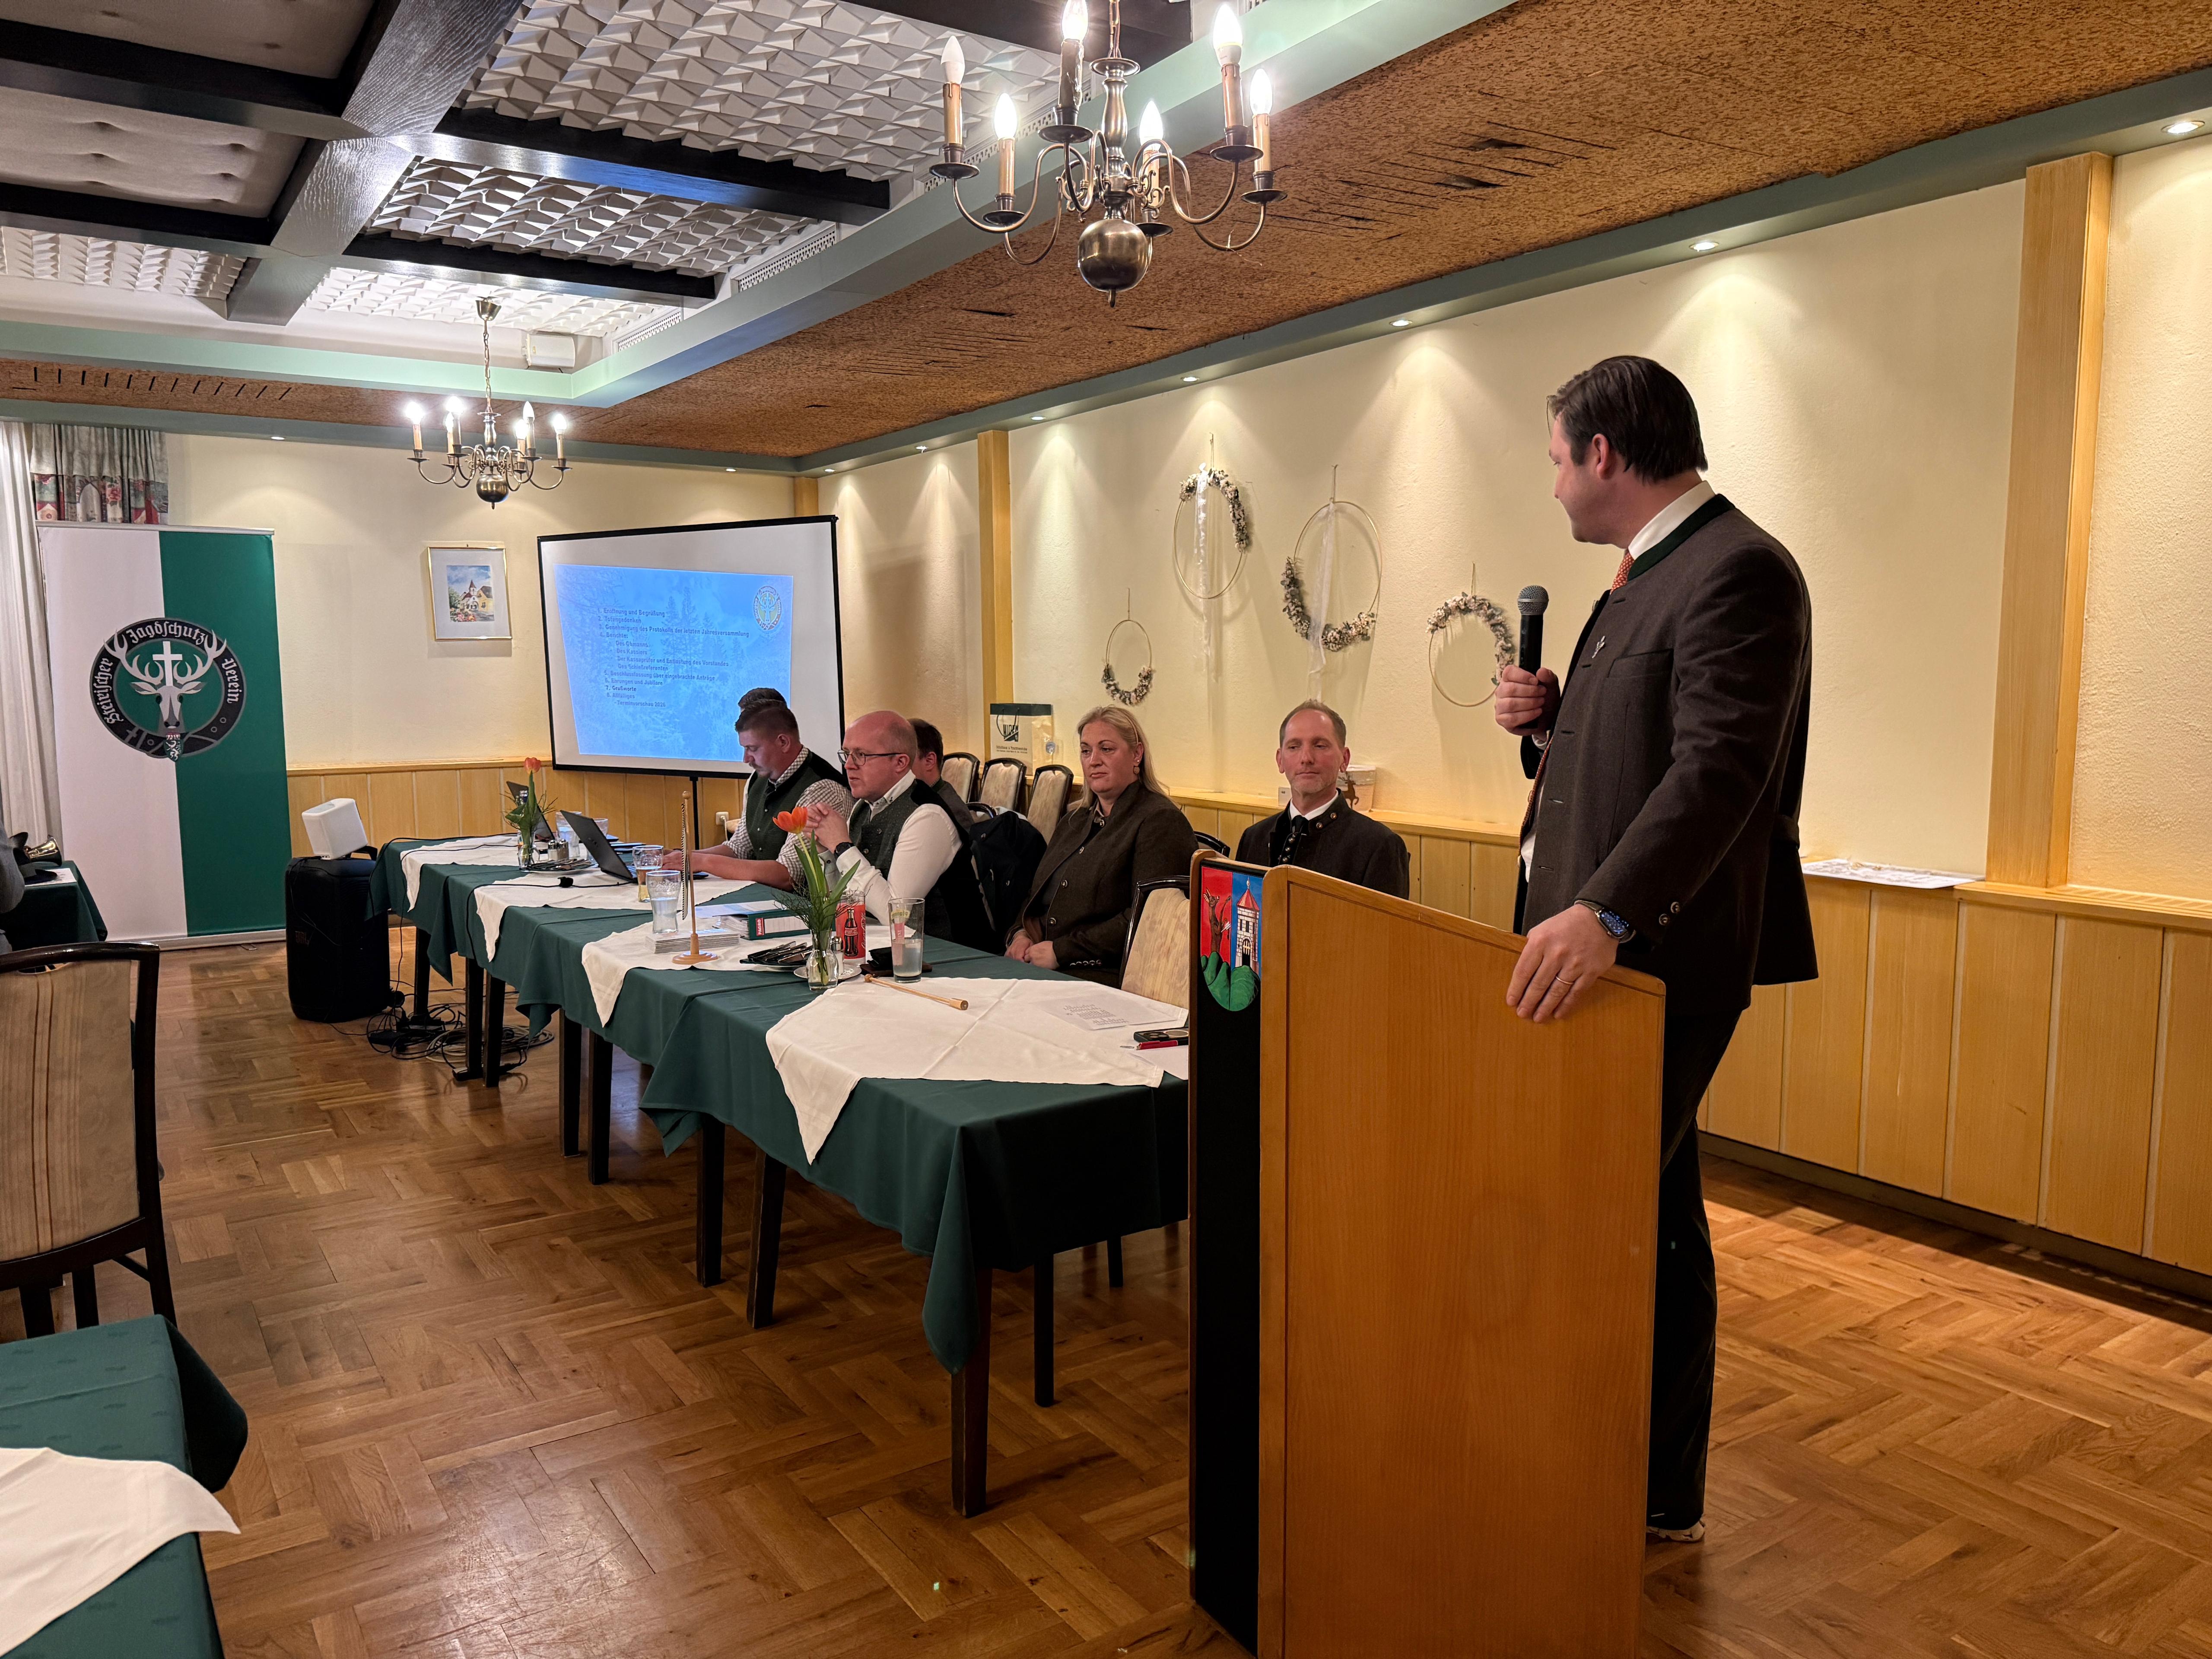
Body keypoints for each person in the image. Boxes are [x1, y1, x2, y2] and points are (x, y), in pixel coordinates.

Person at [1494, 354, 1815, 1545]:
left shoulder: (1738, 571)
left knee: (1605, 1213)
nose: (1554, 486)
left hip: (1653, 958)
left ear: (1604, 454)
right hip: (1599, 951)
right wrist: (1546, 728)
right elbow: (1629, 755)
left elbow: (1719, 772)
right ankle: (1649, 1479)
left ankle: (1607, 1467)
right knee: (1652, 1213)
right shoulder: (1643, 577)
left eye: (1556, 461)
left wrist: (1610, 913)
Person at [1007, 705, 1198, 985]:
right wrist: (1021, 934)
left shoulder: (1160, 821)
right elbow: (1035, 895)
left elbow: (1150, 917)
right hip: (1040, 966)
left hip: (1105, 975)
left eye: (1106, 749)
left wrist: (1062, 951)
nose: (1094, 761)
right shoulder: (1073, 821)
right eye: (1086, 751)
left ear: (1137, 754)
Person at [806, 710, 994, 947]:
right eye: (847, 754)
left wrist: (842, 846)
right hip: (884, 950)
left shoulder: (927, 815)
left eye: (861, 755)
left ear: (900, 763)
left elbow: (896, 916)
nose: (849, 766)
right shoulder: (864, 808)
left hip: (949, 956)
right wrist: (826, 850)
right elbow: (841, 903)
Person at [671, 688, 849, 890]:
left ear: (783, 742)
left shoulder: (821, 788)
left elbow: (789, 875)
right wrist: (681, 857)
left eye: (752, 749)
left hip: (800, 907)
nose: (746, 759)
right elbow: (739, 848)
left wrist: (703, 862)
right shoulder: (760, 778)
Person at [1235, 699, 1409, 897]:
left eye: (1320, 746)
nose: (1306, 758)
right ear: (1280, 760)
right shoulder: (1254, 838)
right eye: (1294, 747)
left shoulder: (1379, 845)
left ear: (1344, 759)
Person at [909, 717, 973, 827]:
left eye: (904, 758)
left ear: (929, 761)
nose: (897, 766)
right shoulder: (910, 798)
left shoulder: (951, 811)